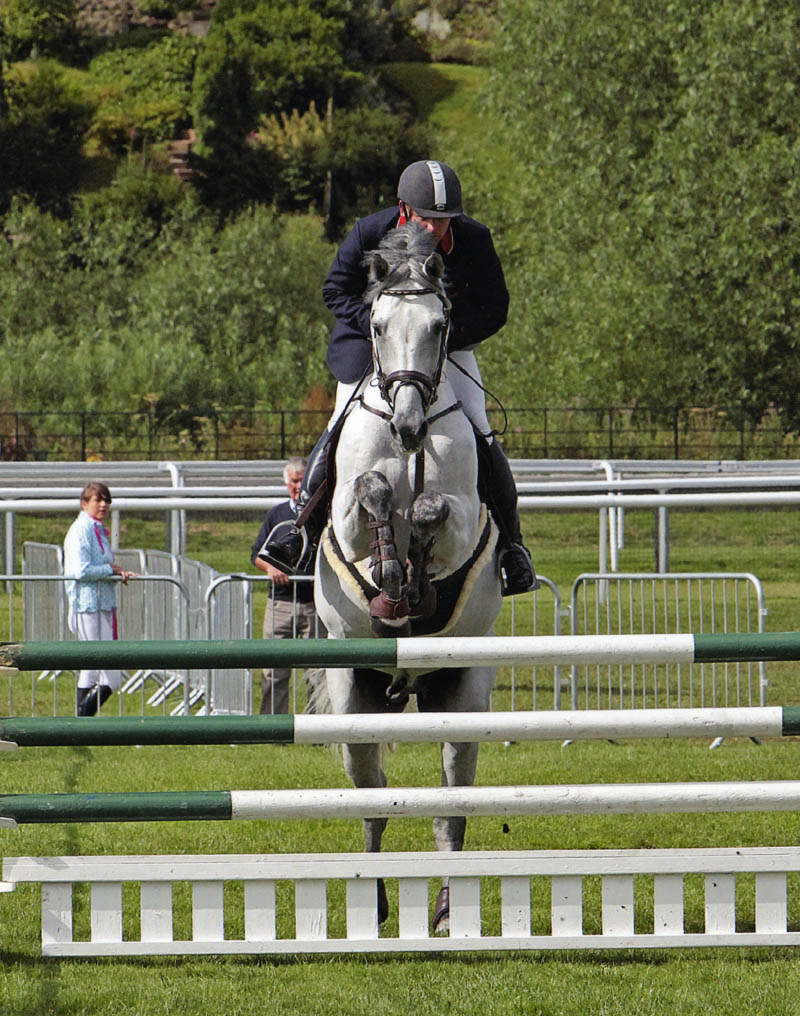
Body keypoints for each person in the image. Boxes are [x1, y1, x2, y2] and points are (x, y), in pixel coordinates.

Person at [259, 159, 536, 596]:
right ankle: (298, 532)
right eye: (427, 218)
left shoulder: (474, 239)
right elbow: (334, 288)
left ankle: (513, 547)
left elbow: (496, 305)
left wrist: (441, 335)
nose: (436, 228)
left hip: (440, 345)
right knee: (336, 426)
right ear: (405, 211)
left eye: (445, 220)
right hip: (373, 343)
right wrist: (381, 325)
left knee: (482, 430)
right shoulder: (370, 231)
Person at [251, 458, 326, 714]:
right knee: (274, 669)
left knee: (317, 671)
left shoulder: (322, 515)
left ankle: (318, 729)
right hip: (280, 604)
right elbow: (257, 555)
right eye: (294, 480)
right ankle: (273, 727)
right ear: (286, 482)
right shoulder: (277, 514)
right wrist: (272, 569)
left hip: (315, 604)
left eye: (302, 480)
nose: (298, 486)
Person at [63, 482, 134, 716]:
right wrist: (110, 571)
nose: (103, 504)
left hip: (100, 605)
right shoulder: (81, 530)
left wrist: (115, 571)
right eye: (98, 499)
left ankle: (80, 726)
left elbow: (101, 566)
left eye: (107, 500)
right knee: (110, 675)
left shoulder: (96, 528)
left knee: (91, 668)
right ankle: (81, 720)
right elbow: (81, 571)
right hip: (86, 606)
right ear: (85, 503)